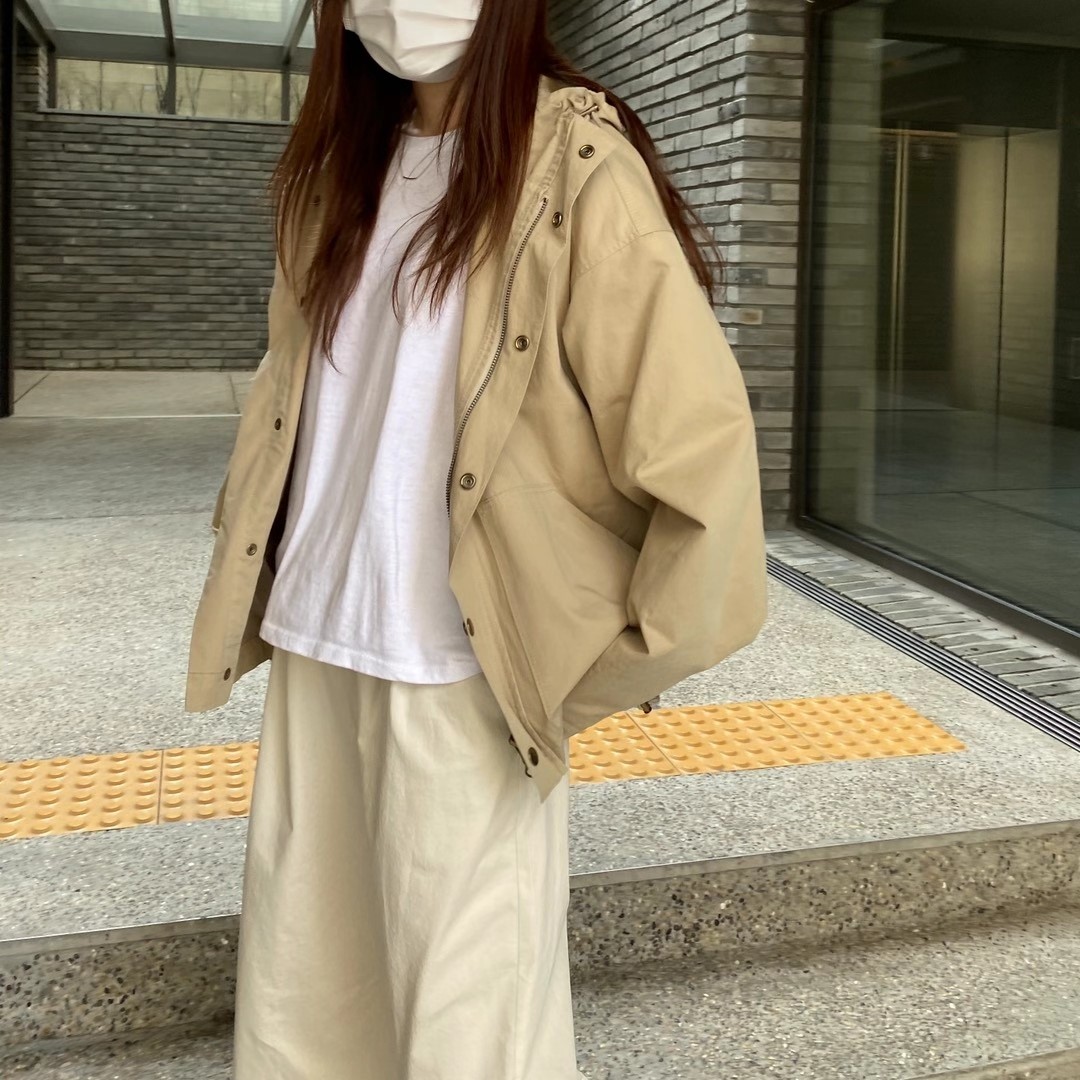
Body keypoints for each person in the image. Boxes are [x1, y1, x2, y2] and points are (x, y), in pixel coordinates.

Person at [184, 0, 768, 1076]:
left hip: (462, 666)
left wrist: (584, 673)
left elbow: (701, 458)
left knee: (471, 1032)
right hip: (317, 638)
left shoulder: (573, 165)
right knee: (305, 1013)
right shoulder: (335, 175)